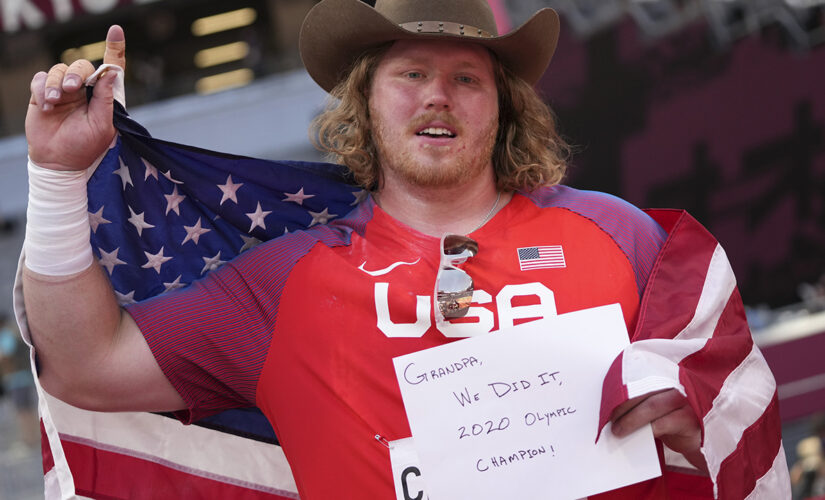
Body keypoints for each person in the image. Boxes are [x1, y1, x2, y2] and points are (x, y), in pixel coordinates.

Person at [21, 0, 788, 498]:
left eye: (465, 77)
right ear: (364, 102)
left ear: (503, 108)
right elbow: (88, 368)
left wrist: (692, 416)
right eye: (410, 73)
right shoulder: (284, 283)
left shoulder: (618, 235)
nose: (436, 95)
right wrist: (56, 178)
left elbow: (722, 399)